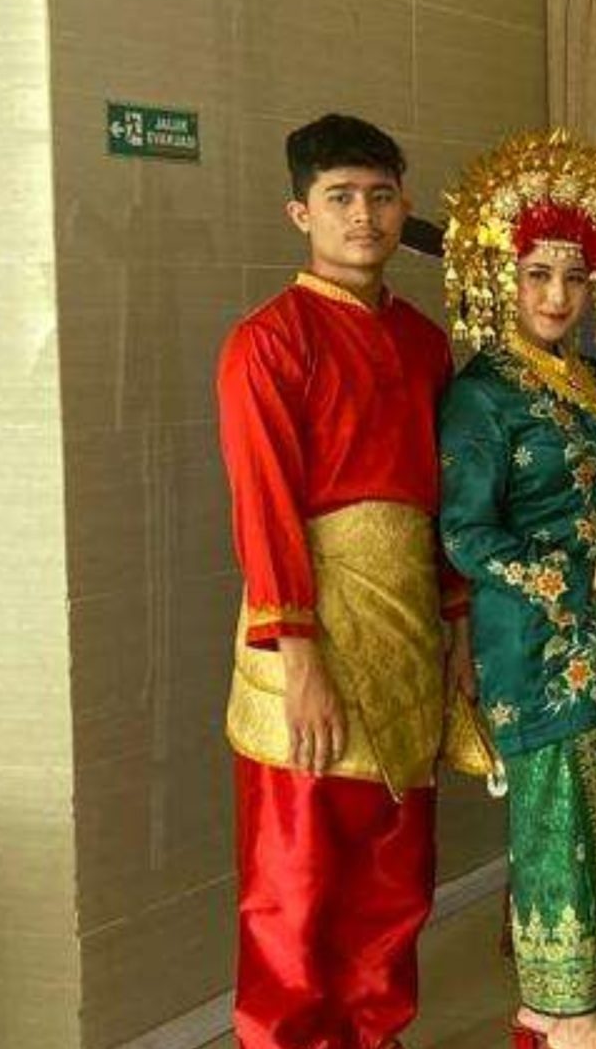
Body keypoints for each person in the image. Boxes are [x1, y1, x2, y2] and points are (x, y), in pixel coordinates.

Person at [217, 113, 481, 1049]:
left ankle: (376, 1033)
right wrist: (300, 658)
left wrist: (456, 632)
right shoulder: (267, 342)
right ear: (301, 213)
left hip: (407, 632)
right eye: (339, 199)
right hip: (308, 640)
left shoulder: (423, 343)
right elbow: (265, 512)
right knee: (294, 880)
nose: (362, 217)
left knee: (394, 871)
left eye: (378, 196)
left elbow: (442, 499)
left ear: (403, 205)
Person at [436, 132, 596, 1049]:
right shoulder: (484, 395)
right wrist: (580, 572)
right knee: (555, 826)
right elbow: (465, 533)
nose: (558, 297)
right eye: (538, 276)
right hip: (534, 653)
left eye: (573, 278)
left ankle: (563, 1000)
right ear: (504, 280)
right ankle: (566, 1016)